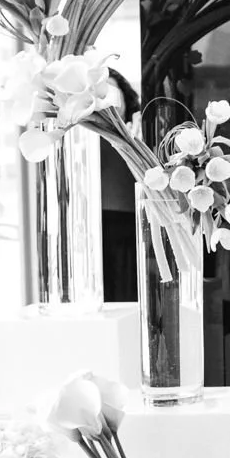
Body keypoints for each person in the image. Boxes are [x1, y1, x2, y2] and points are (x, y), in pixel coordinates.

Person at [99, 69, 141, 302]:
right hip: (96, 230)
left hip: (128, 230)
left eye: (113, 93)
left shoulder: (138, 137)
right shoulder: (81, 141)